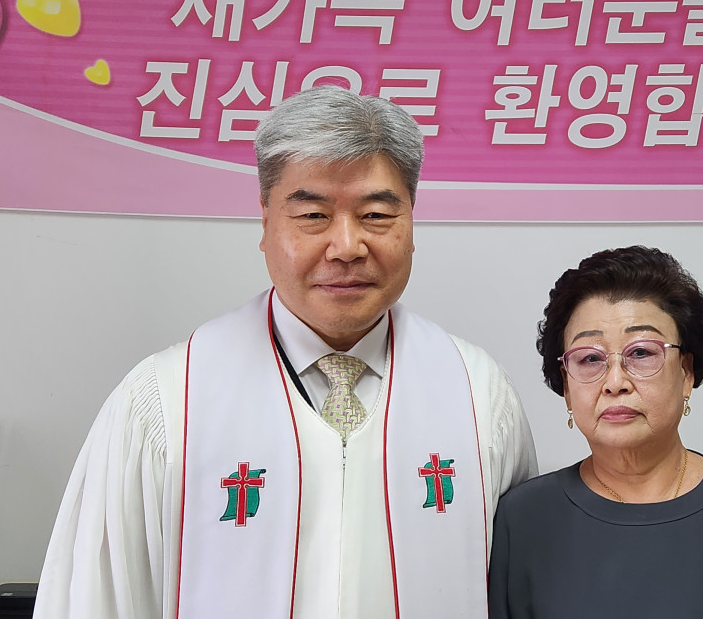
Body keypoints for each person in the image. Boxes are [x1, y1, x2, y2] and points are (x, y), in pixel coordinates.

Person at [36, 86, 537, 618]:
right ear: (265, 222)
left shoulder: (478, 394)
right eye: (313, 215)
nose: (347, 247)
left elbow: (526, 588)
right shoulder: (163, 402)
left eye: (375, 214)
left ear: (412, 221)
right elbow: (94, 602)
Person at [488, 246, 703, 618]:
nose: (615, 382)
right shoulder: (522, 521)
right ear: (567, 386)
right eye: (590, 358)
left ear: (686, 372)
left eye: (641, 353)